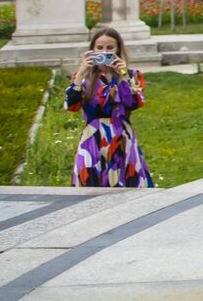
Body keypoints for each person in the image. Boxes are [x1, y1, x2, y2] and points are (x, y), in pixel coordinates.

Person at [65, 25, 153, 188]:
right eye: (99, 48)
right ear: (92, 50)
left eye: (109, 48)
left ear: (118, 49)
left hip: (122, 137)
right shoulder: (84, 78)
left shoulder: (132, 75)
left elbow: (135, 102)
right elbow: (71, 105)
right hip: (92, 139)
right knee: (89, 187)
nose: (104, 52)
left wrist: (123, 73)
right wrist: (81, 73)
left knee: (127, 188)